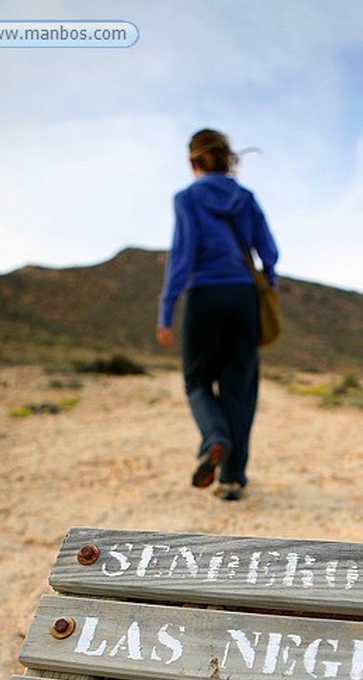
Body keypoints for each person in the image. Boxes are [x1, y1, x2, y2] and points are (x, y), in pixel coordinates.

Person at [156, 128, 279, 501]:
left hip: (204, 295)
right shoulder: (245, 198)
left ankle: (214, 438)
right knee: (238, 389)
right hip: (244, 296)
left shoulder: (187, 199)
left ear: (193, 162)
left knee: (197, 381)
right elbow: (269, 250)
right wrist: (267, 284)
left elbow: (182, 255)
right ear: (227, 160)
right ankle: (232, 478)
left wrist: (166, 309)